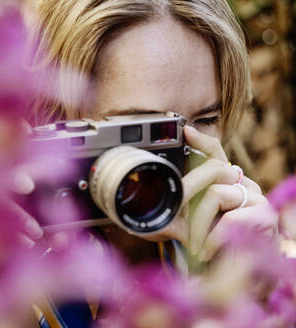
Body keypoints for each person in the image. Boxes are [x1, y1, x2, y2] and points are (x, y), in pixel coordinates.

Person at [22, 0, 277, 265]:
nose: (181, 152)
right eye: (144, 129)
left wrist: (253, 289)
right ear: (56, 115)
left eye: (207, 118)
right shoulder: (9, 261)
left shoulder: (231, 222)